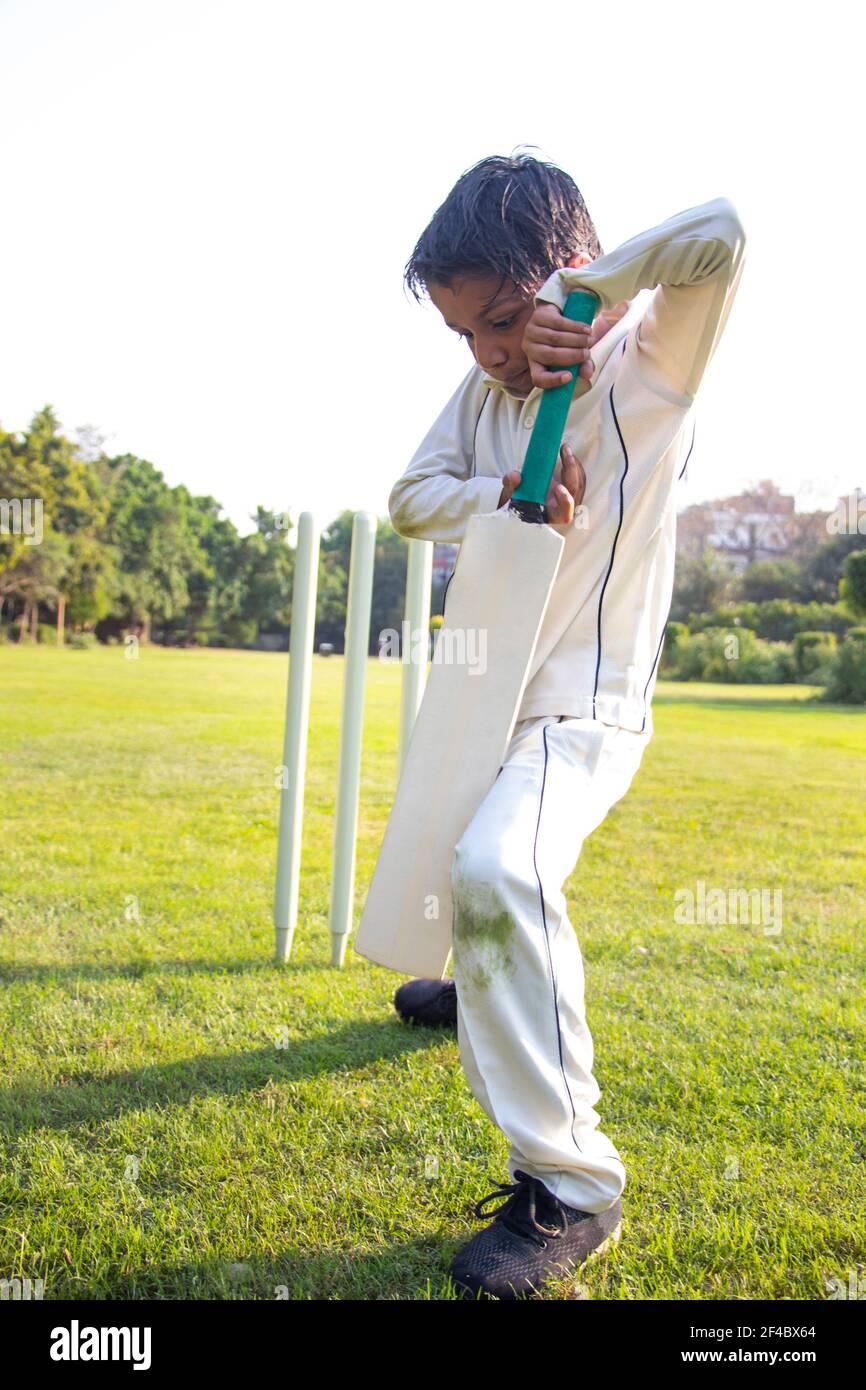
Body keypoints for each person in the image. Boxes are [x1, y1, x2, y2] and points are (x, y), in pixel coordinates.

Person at [388, 151, 746, 1299]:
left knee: (496, 867)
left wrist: (588, 292)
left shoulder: (652, 360)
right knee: (460, 865)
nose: (492, 353)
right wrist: (498, 493)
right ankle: (472, 988)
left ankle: (573, 1188)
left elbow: (722, 229)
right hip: (481, 683)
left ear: (559, 281)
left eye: (502, 318)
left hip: (584, 706)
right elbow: (408, 495)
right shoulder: (485, 393)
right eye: (467, 334)